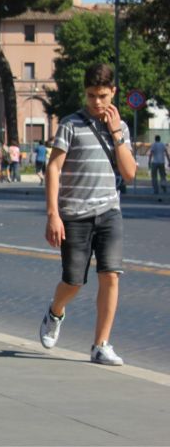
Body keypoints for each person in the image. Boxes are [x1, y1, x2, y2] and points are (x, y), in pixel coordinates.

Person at [39, 63, 136, 366]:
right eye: (91, 95)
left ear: (113, 93)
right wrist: (53, 214)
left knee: (111, 276)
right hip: (74, 215)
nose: (97, 102)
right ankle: (55, 311)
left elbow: (130, 173)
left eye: (103, 95)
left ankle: (101, 345)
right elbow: (53, 168)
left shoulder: (120, 128)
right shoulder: (70, 124)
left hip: (109, 212)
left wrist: (117, 133)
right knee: (74, 281)